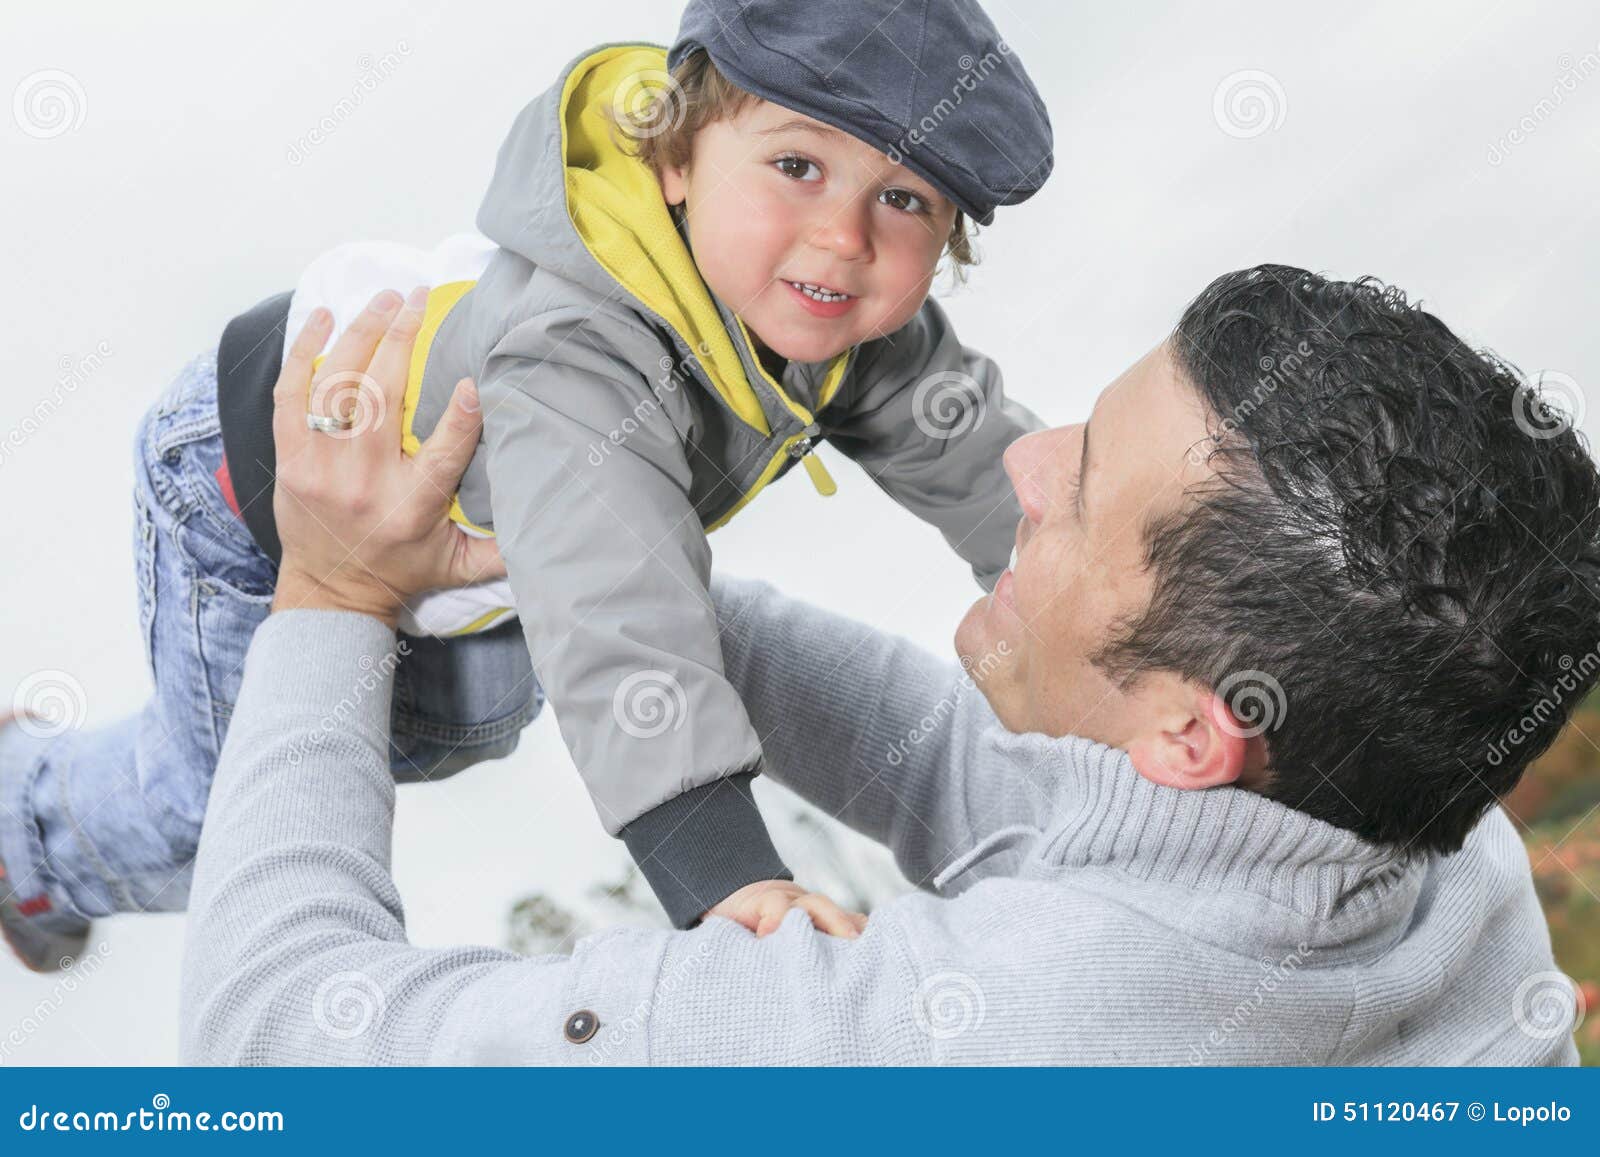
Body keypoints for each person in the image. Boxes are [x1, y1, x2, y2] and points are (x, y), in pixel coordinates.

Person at [178, 265, 1592, 1064]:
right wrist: (606, 566)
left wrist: (333, 595)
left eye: (1085, 484)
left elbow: (271, 1041)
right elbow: (965, 776)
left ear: (1192, 733)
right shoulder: (1420, 827)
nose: (1023, 466)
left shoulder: (943, 1053)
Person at [0, 0, 1058, 966]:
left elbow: (978, 460)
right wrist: (725, 872)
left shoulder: (831, 312)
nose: (843, 235)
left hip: (475, 515)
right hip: (257, 485)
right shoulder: (578, 355)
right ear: (677, 153)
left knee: (468, 720)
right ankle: (21, 829)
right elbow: (617, 613)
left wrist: (1114, 589)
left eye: (904, 198)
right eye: (796, 167)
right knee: (237, 817)